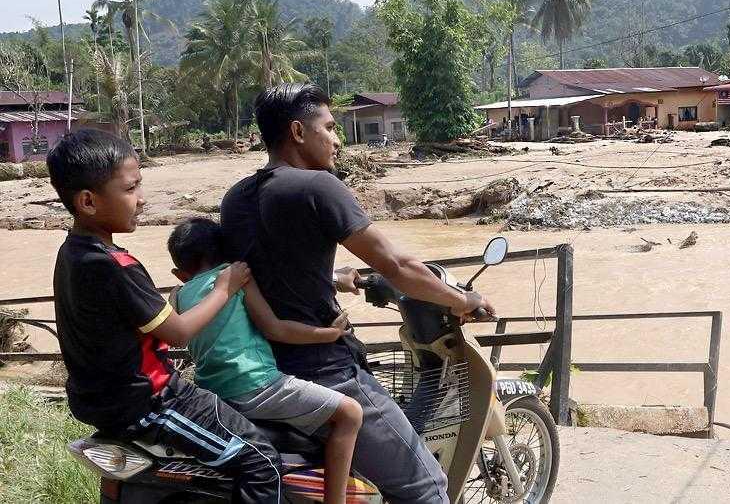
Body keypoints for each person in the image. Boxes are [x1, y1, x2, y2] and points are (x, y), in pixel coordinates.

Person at [221, 83, 495, 504]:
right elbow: (397, 266)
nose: (337, 140)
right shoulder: (318, 186)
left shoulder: (235, 199)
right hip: (324, 372)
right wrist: (465, 301)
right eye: (330, 128)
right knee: (427, 487)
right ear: (298, 132)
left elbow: (263, 270)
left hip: (260, 371)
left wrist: (332, 277)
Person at [46, 129, 281, 504]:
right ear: (88, 201)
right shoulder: (116, 265)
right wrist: (225, 287)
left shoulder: (71, 252)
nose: (141, 199)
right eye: (130, 189)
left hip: (103, 402)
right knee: (261, 462)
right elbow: (179, 332)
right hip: (153, 402)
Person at [167, 217, 363, 504]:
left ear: (178, 273)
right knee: (350, 413)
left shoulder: (178, 295)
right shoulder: (237, 278)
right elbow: (275, 329)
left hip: (213, 392)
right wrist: (330, 334)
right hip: (256, 384)